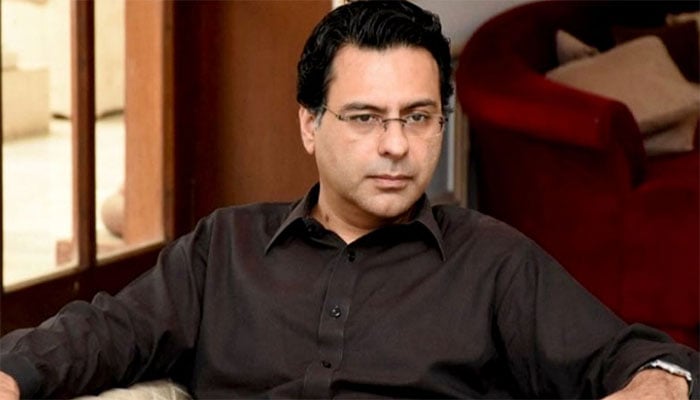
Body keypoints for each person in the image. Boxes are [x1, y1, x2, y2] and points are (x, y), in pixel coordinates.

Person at [1, 1, 697, 399]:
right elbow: (106, 332)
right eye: (365, 118)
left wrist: (656, 385)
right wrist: (11, 376)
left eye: (418, 117)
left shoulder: (493, 262)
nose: (396, 145)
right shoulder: (227, 249)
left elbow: (645, 359)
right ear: (310, 125)